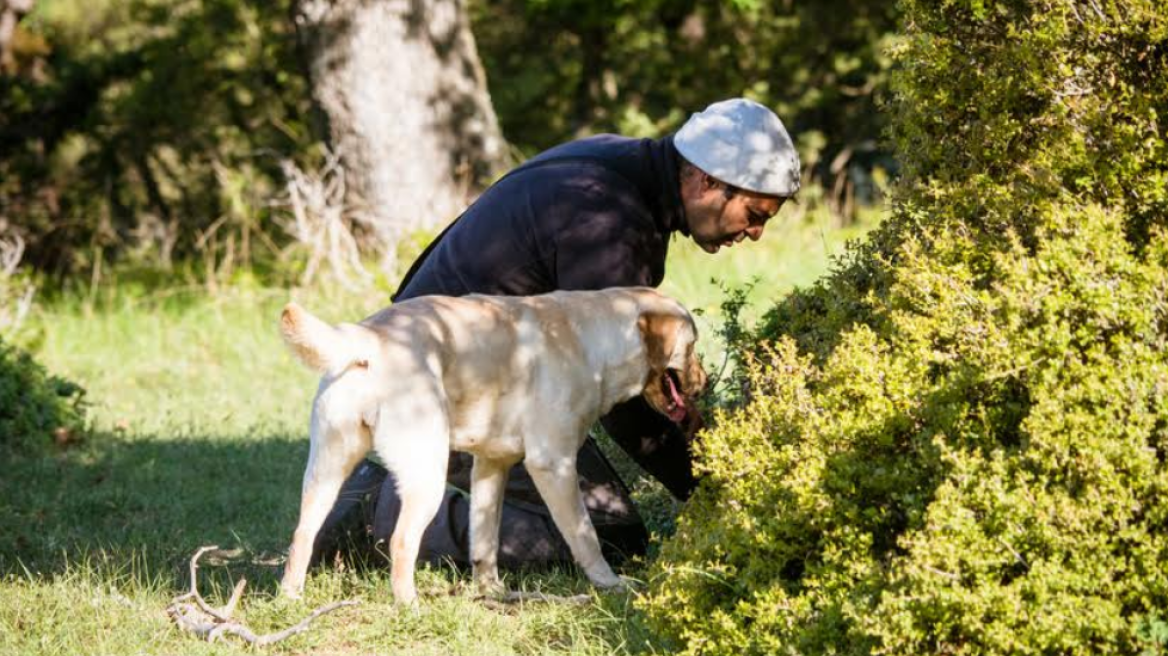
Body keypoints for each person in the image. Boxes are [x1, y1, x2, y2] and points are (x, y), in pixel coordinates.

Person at [309, 97, 801, 571]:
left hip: (441, 361)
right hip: (434, 386)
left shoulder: (621, 166)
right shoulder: (611, 221)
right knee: (610, 535)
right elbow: (627, 409)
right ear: (706, 181)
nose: (754, 233)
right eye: (754, 215)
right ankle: (367, 513)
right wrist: (714, 491)